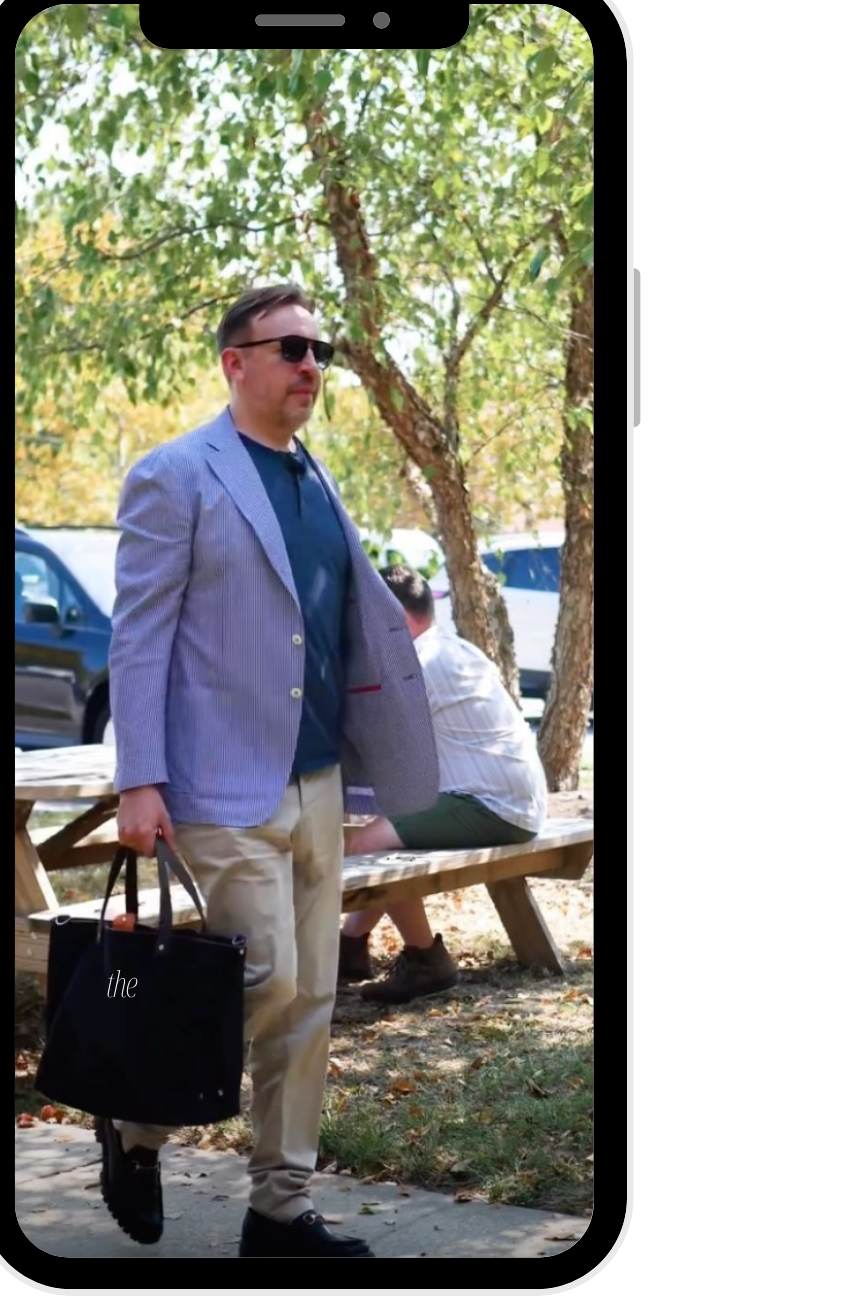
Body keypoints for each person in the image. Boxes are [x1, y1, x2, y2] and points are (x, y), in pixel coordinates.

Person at [104, 284, 440, 1259]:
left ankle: (280, 1212)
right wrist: (139, 779)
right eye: (290, 347)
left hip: (320, 780)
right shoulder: (177, 474)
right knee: (263, 980)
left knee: (312, 999)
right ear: (235, 362)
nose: (309, 365)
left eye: (318, 351)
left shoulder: (315, 479)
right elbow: (139, 636)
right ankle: (134, 1125)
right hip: (219, 785)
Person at [338, 565, 549, 1005]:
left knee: (365, 844)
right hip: (515, 801)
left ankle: (425, 959)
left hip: (489, 805)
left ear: (394, 617)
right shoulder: (452, 649)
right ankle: (350, 946)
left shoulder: (416, 666)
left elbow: (373, 752)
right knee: (386, 830)